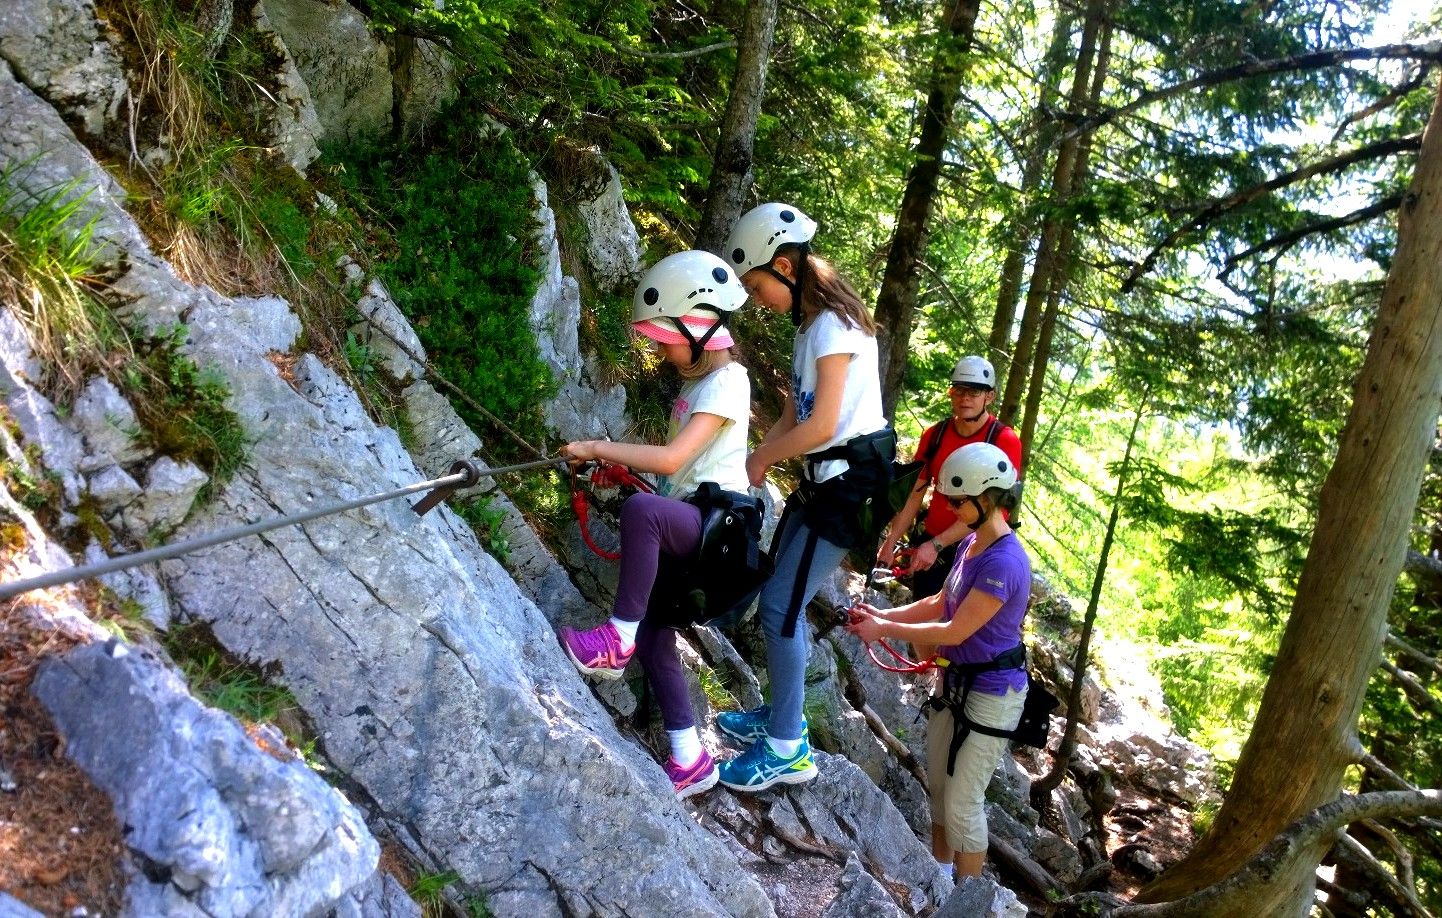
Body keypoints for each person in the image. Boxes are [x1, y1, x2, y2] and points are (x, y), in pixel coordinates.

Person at [557, 249, 750, 799]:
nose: (660, 351)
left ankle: (614, 642)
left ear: (699, 326)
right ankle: (689, 759)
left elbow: (671, 462)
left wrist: (597, 444)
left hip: (722, 529)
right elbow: (679, 476)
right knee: (657, 639)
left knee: (643, 516)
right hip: (696, 517)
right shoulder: (696, 390)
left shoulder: (729, 381)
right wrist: (620, 473)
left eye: (664, 339)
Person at [713, 202, 891, 792]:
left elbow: (825, 425)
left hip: (844, 488)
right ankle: (779, 713)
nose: (757, 297)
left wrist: (764, 459)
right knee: (775, 595)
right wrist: (751, 459)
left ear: (785, 266)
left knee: (781, 611)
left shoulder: (834, 329)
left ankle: (789, 747)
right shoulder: (811, 329)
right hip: (822, 483)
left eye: (758, 284)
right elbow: (796, 412)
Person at [845, 442, 1029, 880]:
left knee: (964, 805)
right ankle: (941, 880)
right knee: (942, 791)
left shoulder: (1004, 562)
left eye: (959, 501)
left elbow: (953, 631)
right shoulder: (973, 544)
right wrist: (883, 615)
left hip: (991, 694)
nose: (950, 508)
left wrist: (885, 630)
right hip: (954, 684)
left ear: (988, 499)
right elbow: (940, 602)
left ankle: (965, 903)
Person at [879, 355, 1022, 604]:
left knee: (953, 632)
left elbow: (996, 509)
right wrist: (890, 542)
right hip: (933, 543)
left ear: (990, 396)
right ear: (950, 392)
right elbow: (915, 494)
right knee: (923, 626)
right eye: (959, 390)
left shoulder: (1003, 441)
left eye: (975, 391)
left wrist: (936, 545)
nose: (965, 397)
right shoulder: (935, 436)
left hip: (977, 550)